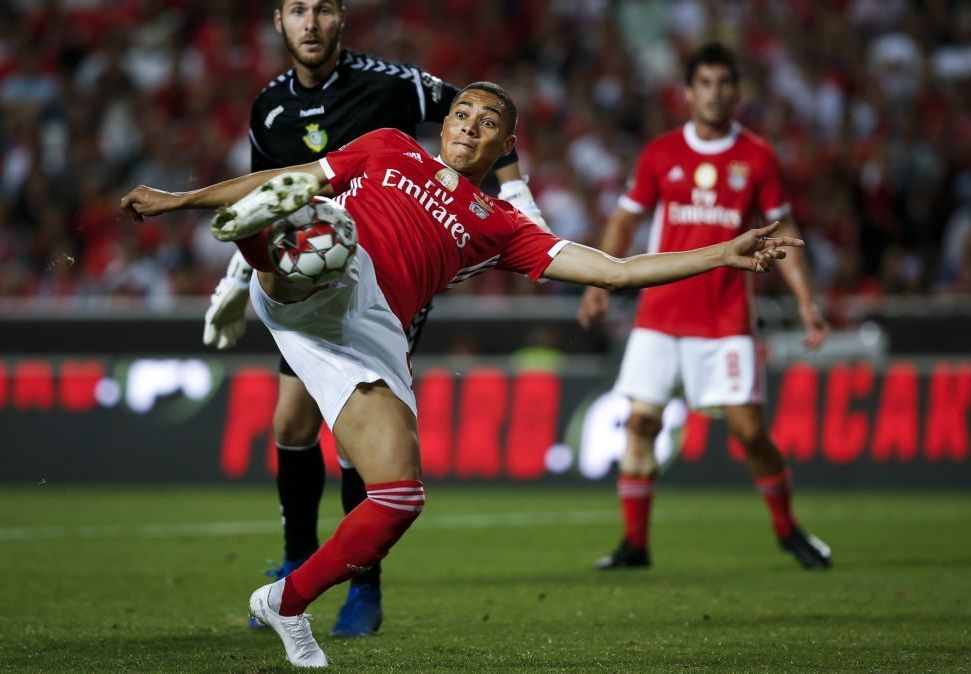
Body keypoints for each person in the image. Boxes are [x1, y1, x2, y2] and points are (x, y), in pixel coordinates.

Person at [121, 81, 803, 668]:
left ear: (502, 145)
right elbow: (282, 179)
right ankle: (259, 249)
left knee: (398, 498)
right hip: (333, 280)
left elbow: (615, 271)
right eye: (462, 113)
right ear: (442, 123)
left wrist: (724, 253)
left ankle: (284, 602)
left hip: (372, 334)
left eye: (487, 123)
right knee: (311, 220)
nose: (468, 124)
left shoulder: (502, 226)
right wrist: (182, 202)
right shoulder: (387, 146)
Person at [204, 0, 548, 637]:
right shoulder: (267, 107)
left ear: (342, 20)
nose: (311, 24)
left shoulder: (393, 85)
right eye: (298, 11)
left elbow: (474, 111)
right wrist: (235, 276)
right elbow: (270, 193)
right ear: (279, 22)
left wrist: (519, 197)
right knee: (291, 419)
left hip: (383, 277)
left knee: (361, 446)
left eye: (324, 10)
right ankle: (298, 560)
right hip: (312, 273)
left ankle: (363, 585)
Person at [578, 43, 832, 571]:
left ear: (736, 91)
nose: (715, 93)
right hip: (660, 315)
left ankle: (788, 530)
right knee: (641, 424)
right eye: (706, 83)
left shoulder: (758, 157)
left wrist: (807, 302)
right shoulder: (661, 153)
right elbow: (626, 218)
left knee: (748, 432)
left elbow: (783, 232)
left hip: (724, 319)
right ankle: (635, 545)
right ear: (689, 92)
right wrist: (599, 279)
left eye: (724, 83)